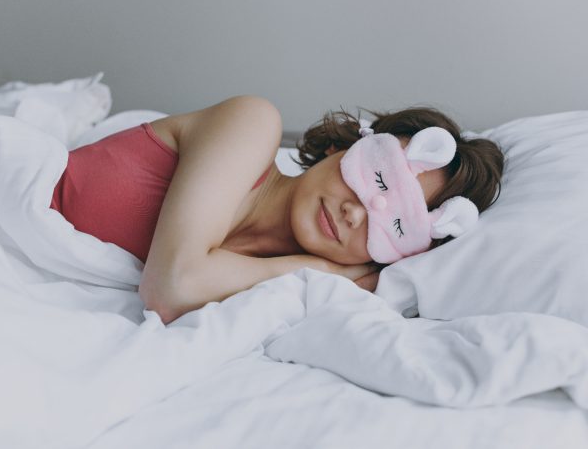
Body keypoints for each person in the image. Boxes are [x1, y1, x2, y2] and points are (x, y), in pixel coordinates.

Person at [49, 95, 504, 323]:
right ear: (339, 146)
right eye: (377, 177)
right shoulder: (252, 122)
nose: (357, 213)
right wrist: (320, 270)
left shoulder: (278, 290)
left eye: (395, 223)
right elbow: (170, 288)